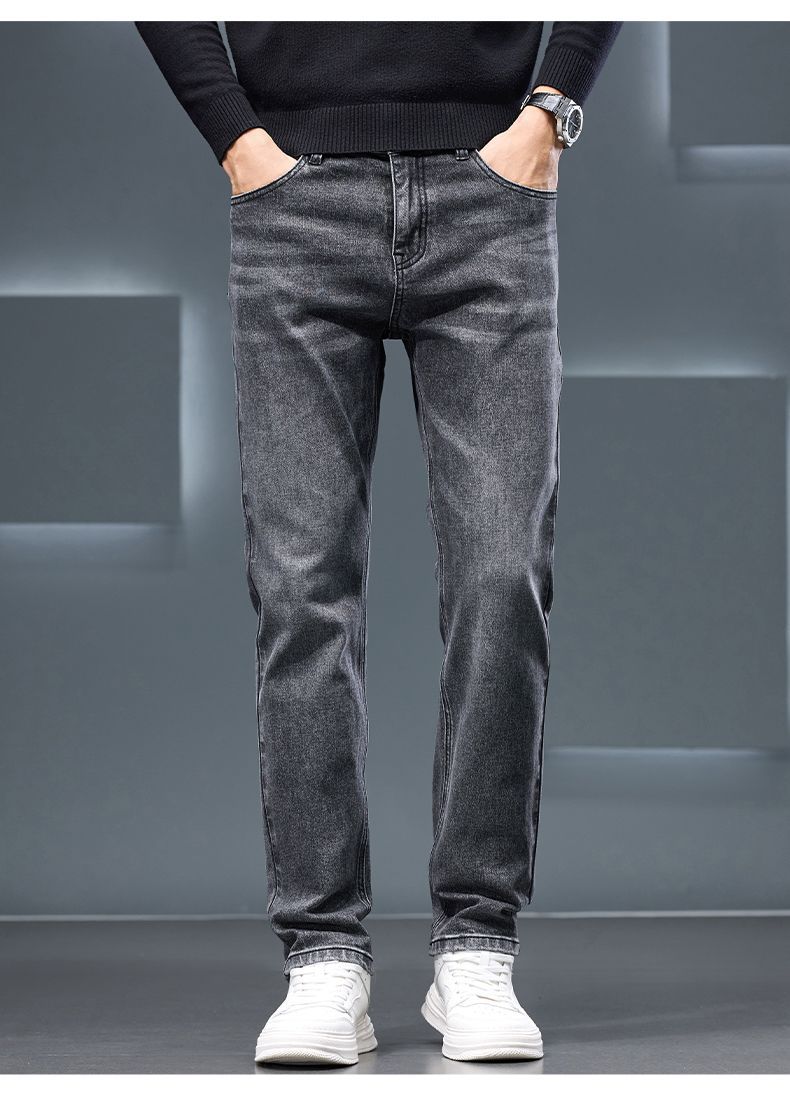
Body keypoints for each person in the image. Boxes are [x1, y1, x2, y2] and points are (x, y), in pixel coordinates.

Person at [136, 20, 621, 1067]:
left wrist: (548, 111)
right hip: (293, 193)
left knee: (502, 578)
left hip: (490, 189)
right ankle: (323, 958)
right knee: (301, 590)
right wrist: (236, 137)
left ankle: (477, 946)